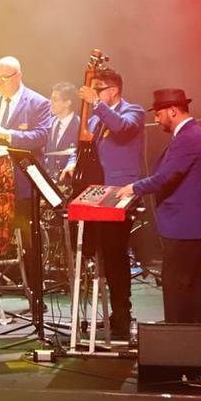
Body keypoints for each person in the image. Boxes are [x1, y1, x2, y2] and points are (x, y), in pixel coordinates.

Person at [61, 68, 145, 339]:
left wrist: (96, 103)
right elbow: (83, 146)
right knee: (93, 252)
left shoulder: (133, 111)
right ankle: (102, 314)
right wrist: (72, 164)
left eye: (97, 89)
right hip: (96, 193)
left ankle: (121, 314)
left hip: (120, 193)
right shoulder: (96, 118)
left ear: (113, 90)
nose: (92, 95)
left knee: (114, 254)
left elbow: (121, 128)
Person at [118, 88, 201, 324]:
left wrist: (133, 188)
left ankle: (178, 335)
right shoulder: (190, 134)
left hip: (185, 226)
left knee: (177, 284)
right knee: (189, 283)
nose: (156, 120)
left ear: (173, 111)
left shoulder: (188, 138)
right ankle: (190, 334)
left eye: (158, 114)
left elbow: (165, 176)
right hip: (189, 225)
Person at [0, 56, 52, 300]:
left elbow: (41, 136)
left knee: (29, 243)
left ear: (19, 76)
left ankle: (36, 298)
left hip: (22, 185)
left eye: (5, 78)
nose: (0, 82)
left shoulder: (38, 103)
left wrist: (8, 135)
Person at [43, 81, 81, 179]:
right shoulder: (48, 123)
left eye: (55, 99)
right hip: (49, 179)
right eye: (51, 98)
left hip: (68, 180)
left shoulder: (80, 126)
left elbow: (78, 153)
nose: (50, 102)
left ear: (68, 103)